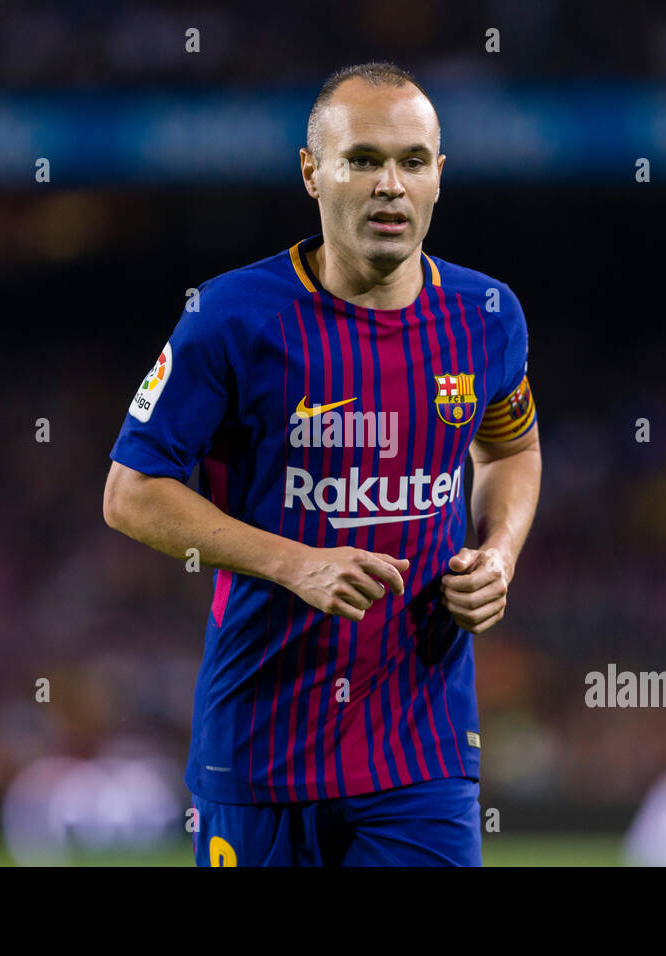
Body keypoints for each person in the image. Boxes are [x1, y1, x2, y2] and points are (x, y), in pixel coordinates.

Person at [103, 61, 541, 866]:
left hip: (423, 745)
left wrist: (499, 552)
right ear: (312, 172)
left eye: (413, 162)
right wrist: (295, 564)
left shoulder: (487, 316)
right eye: (363, 160)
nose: (390, 186)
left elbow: (512, 447)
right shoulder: (231, 317)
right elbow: (131, 492)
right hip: (262, 740)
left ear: (440, 176)